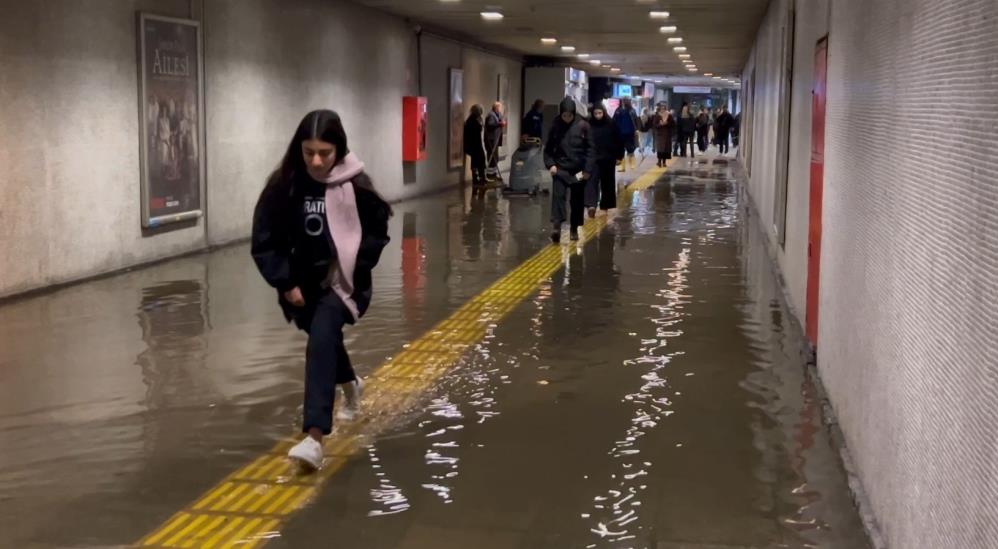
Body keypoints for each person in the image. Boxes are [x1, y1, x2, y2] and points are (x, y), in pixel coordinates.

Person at [251, 110, 392, 472]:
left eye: (325, 153)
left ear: (339, 150)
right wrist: (285, 282)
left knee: (321, 337)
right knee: (322, 336)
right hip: (301, 286)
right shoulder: (283, 186)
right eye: (309, 151)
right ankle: (351, 385)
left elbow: (377, 232)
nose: (316, 160)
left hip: (344, 284)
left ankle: (314, 437)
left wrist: (351, 268)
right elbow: (265, 241)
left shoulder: (356, 185)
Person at [545, 97, 595, 243]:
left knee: (577, 200)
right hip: (560, 170)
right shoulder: (555, 126)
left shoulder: (583, 125)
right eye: (564, 115)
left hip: (578, 172)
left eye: (569, 115)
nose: (567, 118)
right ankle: (557, 227)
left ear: (574, 113)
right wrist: (551, 165)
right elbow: (548, 149)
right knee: (558, 197)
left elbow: (591, 150)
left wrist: (587, 170)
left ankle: (574, 228)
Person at [585, 103, 625, 217]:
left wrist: (619, 156)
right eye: (596, 113)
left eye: (600, 113)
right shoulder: (589, 125)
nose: (598, 115)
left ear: (604, 112)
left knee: (607, 183)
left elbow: (619, 141)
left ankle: (605, 206)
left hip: (608, 158)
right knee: (591, 182)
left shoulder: (611, 124)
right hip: (593, 159)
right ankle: (591, 205)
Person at [612, 97, 640, 172]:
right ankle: (623, 167)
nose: (624, 102)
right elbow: (613, 120)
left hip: (629, 133)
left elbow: (636, 121)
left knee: (630, 150)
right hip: (619, 133)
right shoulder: (618, 110)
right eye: (623, 100)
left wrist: (636, 129)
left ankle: (632, 165)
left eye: (626, 101)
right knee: (621, 151)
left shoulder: (631, 110)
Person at [463, 104, 487, 195]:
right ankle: (480, 178)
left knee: (476, 161)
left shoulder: (471, 119)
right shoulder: (473, 120)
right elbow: (477, 130)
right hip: (475, 144)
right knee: (480, 160)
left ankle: (478, 178)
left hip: (473, 144)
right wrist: (481, 124)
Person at [484, 101, 506, 179]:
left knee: (496, 157)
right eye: (499, 108)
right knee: (492, 156)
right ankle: (490, 174)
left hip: (496, 139)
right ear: (496, 108)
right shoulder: (491, 115)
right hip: (491, 139)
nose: (500, 109)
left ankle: (494, 173)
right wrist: (499, 124)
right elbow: (490, 125)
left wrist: (502, 122)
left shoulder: (498, 114)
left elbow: (501, 120)